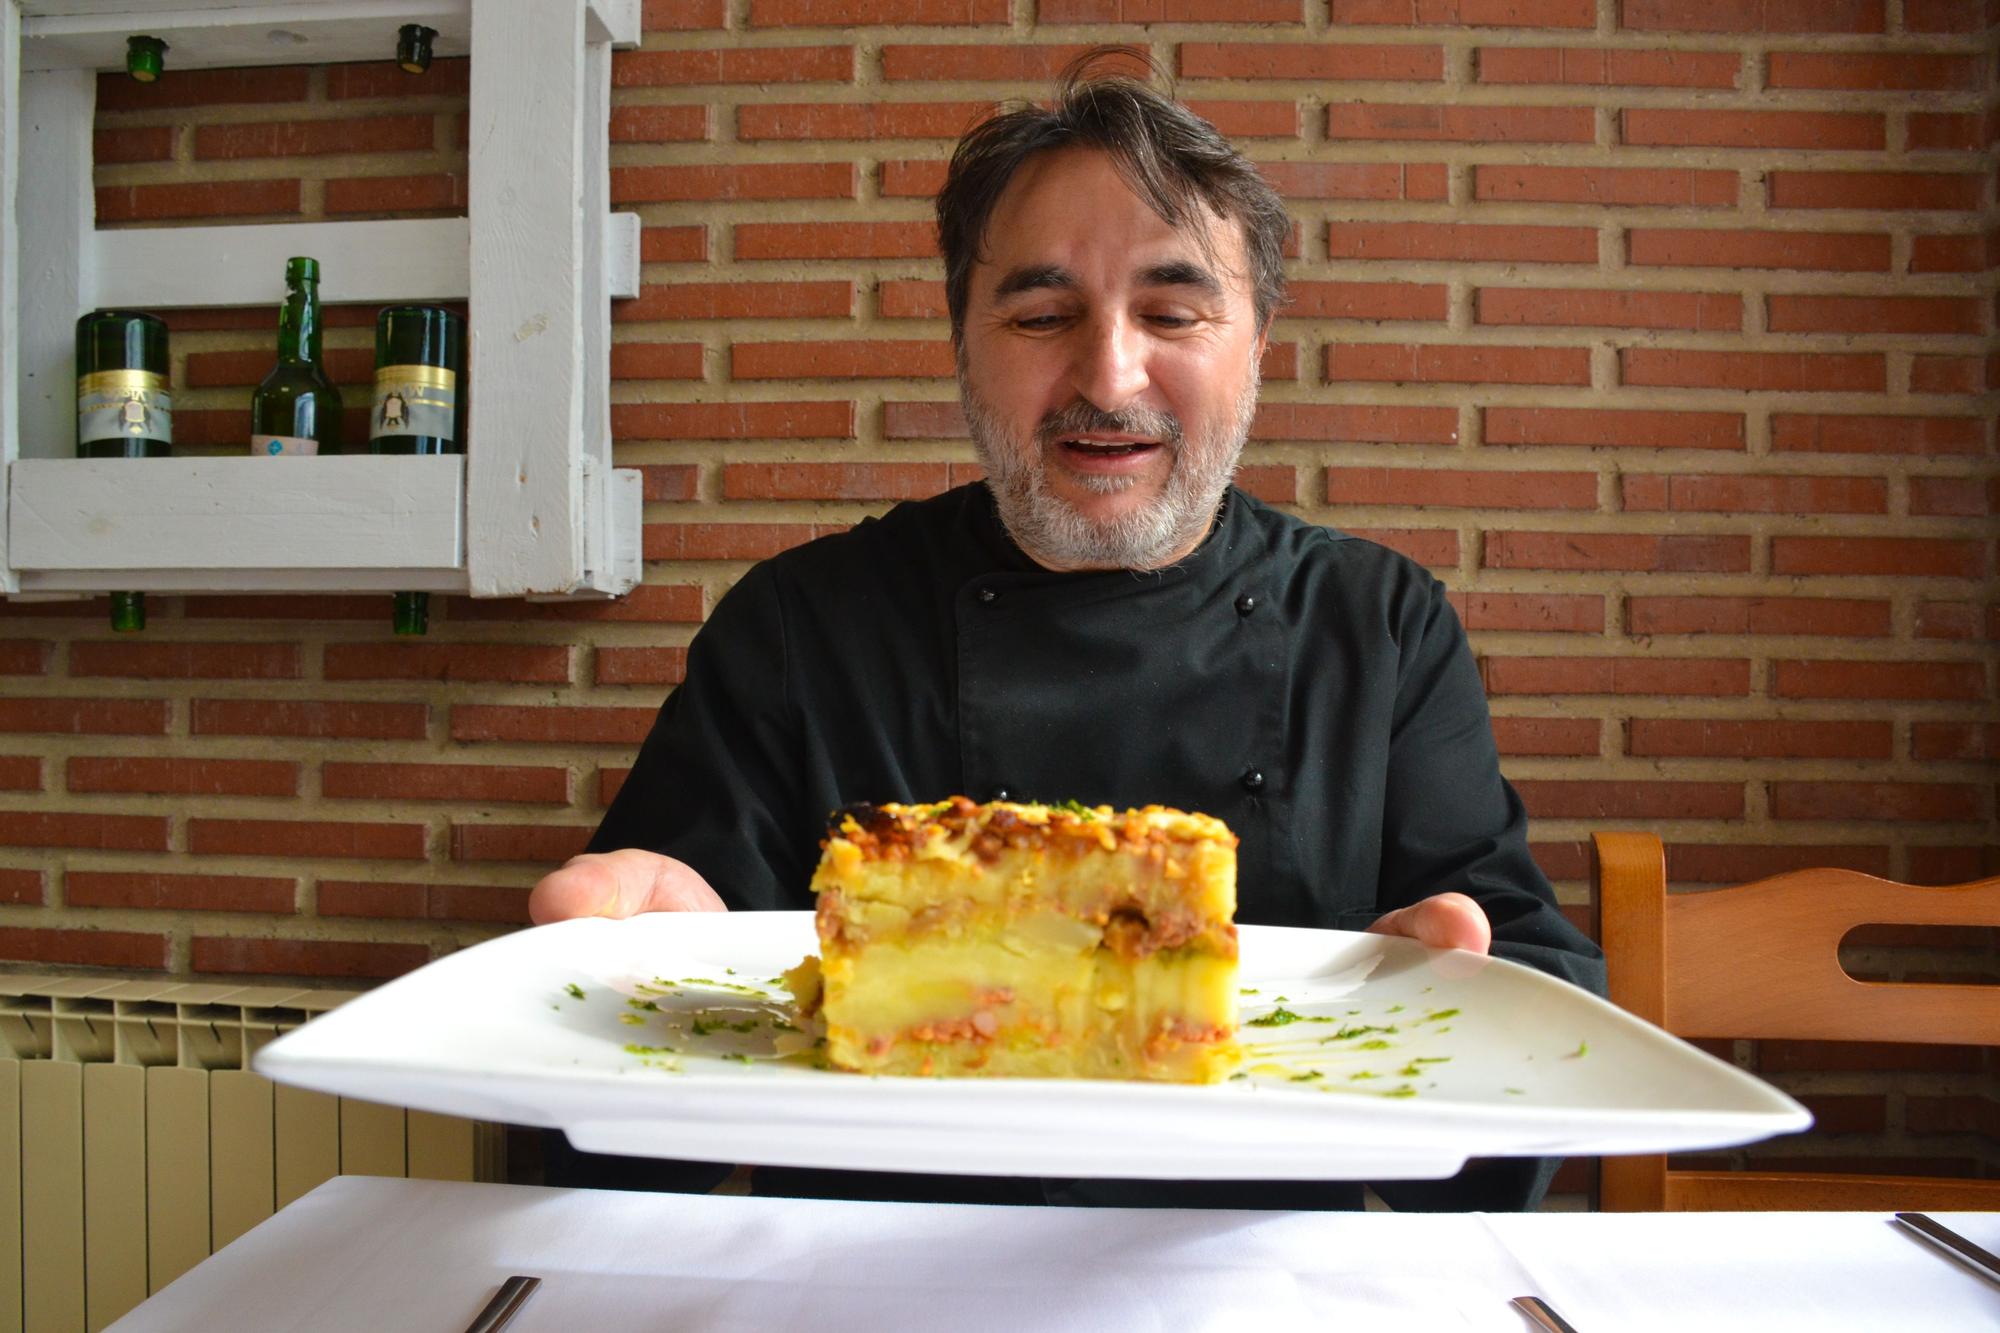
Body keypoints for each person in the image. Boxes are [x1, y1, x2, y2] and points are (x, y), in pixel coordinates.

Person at [530, 54, 1606, 1211]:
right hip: (876, 1283)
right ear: (960, 342)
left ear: (1257, 343)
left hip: (1249, 1283)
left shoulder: (1377, 625)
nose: (1107, 371)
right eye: (1042, 314)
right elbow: (614, 1149)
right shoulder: (798, 628)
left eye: (1174, 311)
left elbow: (1527, 1044)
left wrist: (1462, 1011)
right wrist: (632, 991)